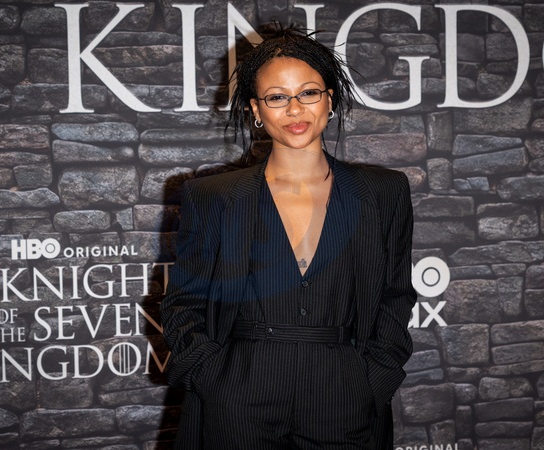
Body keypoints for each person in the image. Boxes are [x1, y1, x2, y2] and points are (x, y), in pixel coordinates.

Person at [161, 28, 416, 450]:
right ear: (256, 109)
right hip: (239, 396)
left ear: (330, 99)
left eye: (308, 93)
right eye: (277, 97)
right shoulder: (213, 196)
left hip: (344, 394)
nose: (295, 109)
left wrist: (375, 379)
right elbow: (184, 302)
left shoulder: (383, 192)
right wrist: (212, 378)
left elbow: (395, 294)